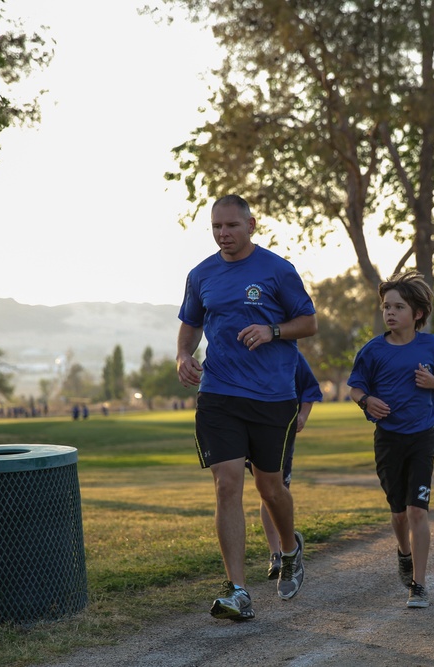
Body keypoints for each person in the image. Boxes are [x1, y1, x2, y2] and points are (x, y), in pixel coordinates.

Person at [177, 194, 317, 621]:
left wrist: (273, 329)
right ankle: (237, 589)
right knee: (226, 485)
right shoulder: (201, 275)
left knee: (270, 488)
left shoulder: (278, 270)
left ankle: (290, 549)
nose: (223, 234)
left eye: (231, 226)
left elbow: (308, 323)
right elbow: (189, 325)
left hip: (272, 397)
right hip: (219, 394)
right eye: (217, 227)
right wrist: (184, 356)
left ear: (251, 225)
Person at [347, 271, 434, 609]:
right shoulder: (373, 351)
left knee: (417, 511)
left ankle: (419, 585)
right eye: (386, 307)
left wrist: (432, 381)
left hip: (423, 436)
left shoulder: (431, 345)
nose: (390, 313)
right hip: (388, 439)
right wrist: (367, 401)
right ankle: (403, 552)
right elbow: (355, 388)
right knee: (398, 515)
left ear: (417, 314)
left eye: (398, 307)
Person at [253, 353, 323, 580]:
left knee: (274, 490)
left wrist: (303, 415)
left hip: (281, 428)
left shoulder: (290, 353)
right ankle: (275, 554)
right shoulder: (240, 352)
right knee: (264, 490)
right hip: (249, 423)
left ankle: (285, 550)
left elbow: (310, 388)